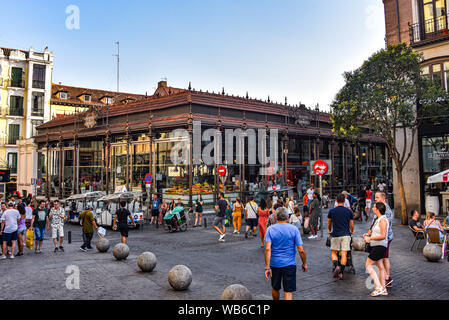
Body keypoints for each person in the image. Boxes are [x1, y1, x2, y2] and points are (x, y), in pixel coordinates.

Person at [264, 207, 308, 300]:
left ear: (276, 217)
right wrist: (304, 263)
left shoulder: (270, 229)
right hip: (289, 264)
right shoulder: (294, 229)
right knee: (288, 291)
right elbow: (301, 250)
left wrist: (267, 267)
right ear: (287, 217)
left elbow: (268, 249)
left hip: (275, 264)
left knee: (275, 288)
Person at [363, 202, 389, 297]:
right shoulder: (379, 219)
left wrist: (369, 238)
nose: (373, 208)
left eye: (374, 207)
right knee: (380, 266)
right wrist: (368, 235)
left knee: (368, 265)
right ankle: (384, 288)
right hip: (378, 245)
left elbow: (383, 235)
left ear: (377, 209)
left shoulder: (382, 220)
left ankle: (379, 287)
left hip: (379, 246)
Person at [328, 193, 354, 279]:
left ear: (336, 201)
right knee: (344, 254)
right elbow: (351, 224)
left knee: (333, 252)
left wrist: (329, 230)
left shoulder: (332, 211)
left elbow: (329, 222)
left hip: (335, 234)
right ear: (344, 201)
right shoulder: (349, 211)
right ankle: (341, 273)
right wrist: (352, 231)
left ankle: (336, 266)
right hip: (346, 234)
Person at [374, 191, 394, 288]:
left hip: (385, 238)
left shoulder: (386, 210)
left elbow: (385, 226)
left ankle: (387, 278)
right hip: (382, 237)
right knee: (383, 257)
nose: (375, 199)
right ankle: (385, 277)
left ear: (383, 198)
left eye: (377, 197)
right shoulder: (382, 208)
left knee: (384, 257)